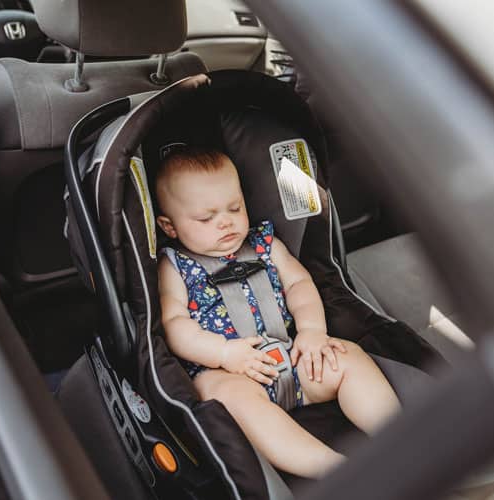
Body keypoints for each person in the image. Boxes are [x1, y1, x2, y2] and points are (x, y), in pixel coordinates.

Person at [155, 147, 400, 478]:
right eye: (205, 218)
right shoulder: (175, 267)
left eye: (234, 208)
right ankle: (334, 469)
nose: (225, 222)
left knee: (347, 356)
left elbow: (299, 283)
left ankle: (399, 438)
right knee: (223, 396)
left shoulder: (265, 243)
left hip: (292, 355)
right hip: (230, 371)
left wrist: (313, 331)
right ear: (169, 227)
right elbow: (174, 324)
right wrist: (224, 354)